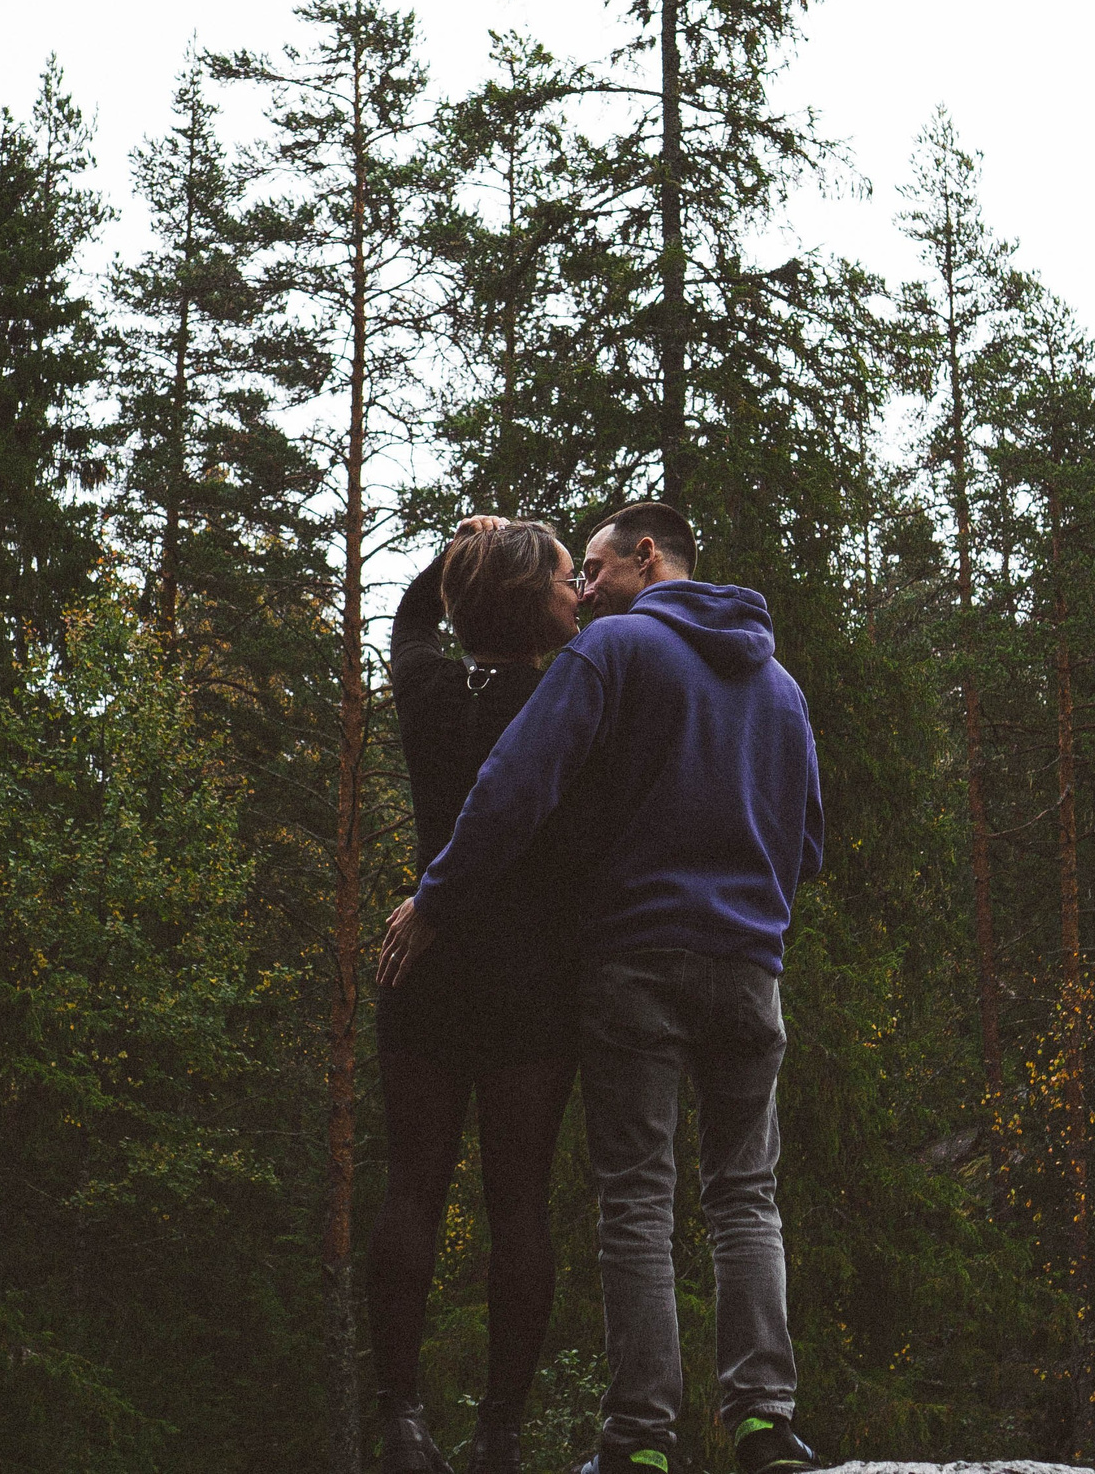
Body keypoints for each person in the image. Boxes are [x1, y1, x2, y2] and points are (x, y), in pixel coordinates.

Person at [380, 502, 827, 1474]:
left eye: (590, 566)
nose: (581, 587)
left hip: (628, 964)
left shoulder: (610, 658)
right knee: (744, 1197)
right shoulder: (781, 687)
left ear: (645, 556)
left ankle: (636, 1445)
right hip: (739, 967)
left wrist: (434, 901)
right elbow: (808, 843)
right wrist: (748, 911)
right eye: (565, 575)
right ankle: (762, 1423)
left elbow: (514, 789)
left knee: (634, 1199)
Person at [370, 516, 589, 1474]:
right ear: (531, 601)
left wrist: (463, 544)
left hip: (425, 968)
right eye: (563, 580)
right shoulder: (558, 697)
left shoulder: (424, 687)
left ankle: (403, 1419)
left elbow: (411, 622)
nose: (575, 590)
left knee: (412, 1187)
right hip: (530, 982)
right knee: (521, 1207)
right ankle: (499, 1431)